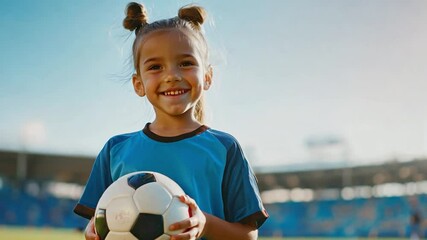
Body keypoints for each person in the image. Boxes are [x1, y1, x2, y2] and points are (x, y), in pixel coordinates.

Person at [73, 2, 268, 240]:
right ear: (138, 84)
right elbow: (100, 220)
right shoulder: (115, 150)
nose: (172, 76)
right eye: (155, 67)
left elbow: (249, 235)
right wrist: (93, 230)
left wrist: (204, 224)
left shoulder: (225, 148)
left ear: (207, 76)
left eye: (186, 63)